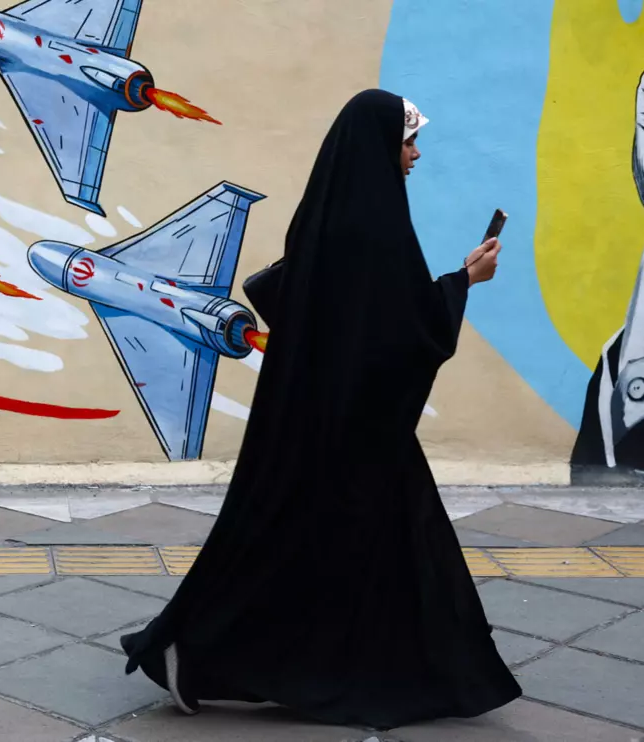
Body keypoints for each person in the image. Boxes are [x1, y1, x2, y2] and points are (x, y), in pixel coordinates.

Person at [119, 89, 517, 730]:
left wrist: (450, 283)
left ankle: (405, 670)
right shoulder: (374, 226)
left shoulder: (328, 214)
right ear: (379, 146)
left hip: (323, 416)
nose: (415, 155)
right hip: (355, 432)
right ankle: (196, 652)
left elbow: (346, 311)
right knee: (329, 551)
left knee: (329, 546)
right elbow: (401, 330)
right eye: (408, 141)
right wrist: (463, 282)